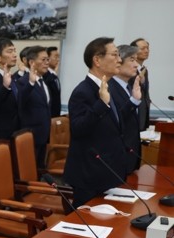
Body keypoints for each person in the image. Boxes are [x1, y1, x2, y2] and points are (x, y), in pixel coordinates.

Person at [63, 37, 128, 207]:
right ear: (97, 60)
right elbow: (78, 129)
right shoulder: (82, 91)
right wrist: (101, 104)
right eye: (114, 55)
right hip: (89, 177)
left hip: (108, 171)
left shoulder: (108, 87)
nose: (119, 59)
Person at [108, 45, 142, 174]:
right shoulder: (109, 87)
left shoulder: (129, 87)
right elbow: (116, 120)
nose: (136, 65)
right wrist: (134, 101)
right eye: (132, 60)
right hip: (117, 156)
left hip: (130, 154)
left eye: (136, 60)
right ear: (119, 61)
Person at [16, 45, 51, 168]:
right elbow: (21, 101)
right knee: (29, 171)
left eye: (48, 60)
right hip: (30, 138)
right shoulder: (23, 82)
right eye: (43, 60)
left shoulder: (44, 82)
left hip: (44, 136)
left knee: (40, 170)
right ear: (31, 62)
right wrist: (31, 83)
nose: (47, 63)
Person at [130, 38, 150, 130]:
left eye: (147, 48)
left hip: (143, 115)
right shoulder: (129, 70)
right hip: (132, 114)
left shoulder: (144, 70)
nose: (146, 50)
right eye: (143, 48)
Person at [43, 46, 61, 117]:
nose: (58, 59)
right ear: (48, 59)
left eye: (58, 57)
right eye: (56, 57)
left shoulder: (54, 75)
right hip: (48, 116)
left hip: (56, 115)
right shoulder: (45, 75)